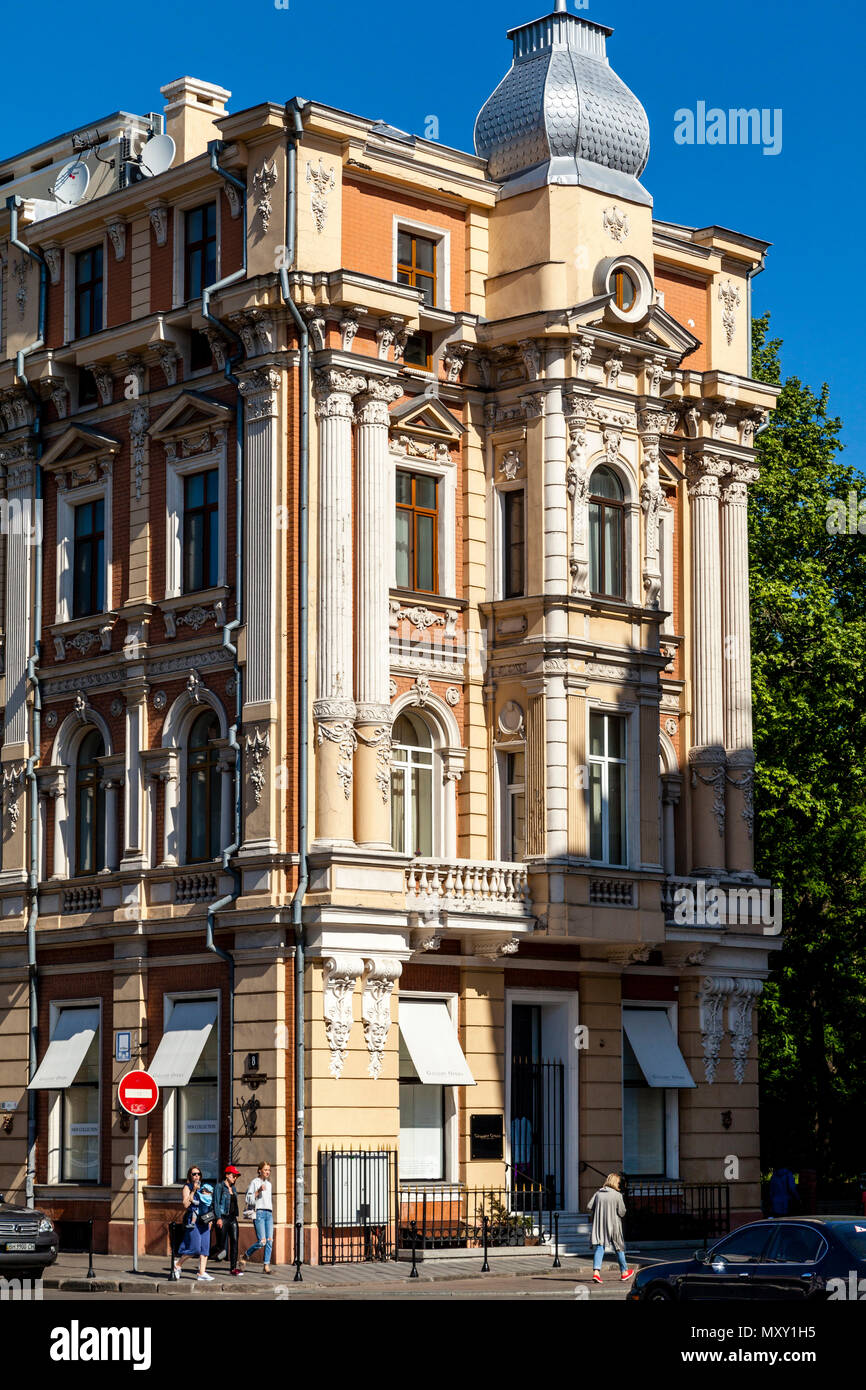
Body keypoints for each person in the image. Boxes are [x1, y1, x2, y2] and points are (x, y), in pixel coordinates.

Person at [588, 1172, 635, 1284]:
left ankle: (596, 1273)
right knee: (619, 1248)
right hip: (614, 1225)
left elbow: (589, 1206)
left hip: (600, 1224)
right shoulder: (617, 1195)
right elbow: (622, 1212)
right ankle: (624, 1272)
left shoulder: (598, 1193)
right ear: (616, 1182)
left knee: (600, 1247)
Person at [174, 1166, 215, 1282]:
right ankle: (177, 1265)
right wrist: (194, 1191)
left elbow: (208, 1203)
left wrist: (210, 1219)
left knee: (205, 1248)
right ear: (190, 1176)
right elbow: (186, 1204)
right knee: (195, 1248)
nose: (197, 1176)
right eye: (194, 1174)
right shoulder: (187, 1187)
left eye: (198, 1174)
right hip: (193, 1220)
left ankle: (201, 1273)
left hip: (204, 1220)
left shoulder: (204, 1187)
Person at [243, 1161, 275, 1273]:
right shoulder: (255, 1182)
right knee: (262, 1242)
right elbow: (248, 1199)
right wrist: (258, 1191)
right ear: (260, 1170)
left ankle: (266, 1266)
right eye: (265, 1170)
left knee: (270, 1241)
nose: (267, 1172)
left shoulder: (269, 1184)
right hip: (259, 1213)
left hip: (269, 1214)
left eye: (269, 1170)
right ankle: (245, 1256)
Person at [214, 1164, 244, 1275]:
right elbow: (216, 1203)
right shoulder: (219, 1187)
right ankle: (204, 1256)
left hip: (232, 1219)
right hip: (223, 1218)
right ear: (227, 1175)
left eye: (236, 1176)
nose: (235, 1178)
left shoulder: (234, 1188)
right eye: (233, 1175)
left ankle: (233, 1269)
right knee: (220, 1246)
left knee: (235, 1242)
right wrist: (218, 1218)